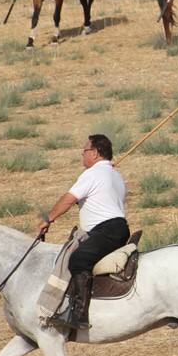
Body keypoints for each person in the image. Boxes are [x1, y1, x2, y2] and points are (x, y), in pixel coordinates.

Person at [37, 134, 129, 330]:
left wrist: (48, 218)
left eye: (84, 151)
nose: (82, 155)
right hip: (119, 228)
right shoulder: (115, 175)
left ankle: (78, 314)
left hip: (105, 230)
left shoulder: (92, 174)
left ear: (95, 153)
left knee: (78, 260)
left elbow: (69, 199)